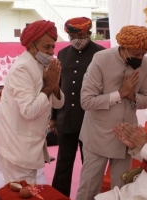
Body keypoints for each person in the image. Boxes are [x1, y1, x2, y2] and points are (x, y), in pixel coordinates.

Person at [75, 25, 147, 200]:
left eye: (144, 54)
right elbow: (86, 101)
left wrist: (132, 96)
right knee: (89, 189)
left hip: (126, 137)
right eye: (136, 54)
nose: (140, 58)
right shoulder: (101, 59)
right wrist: (120, 94)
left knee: (122, 190)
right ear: (124, 48)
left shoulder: (145, 63)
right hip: (98, 135)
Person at [0, 20, 64, 184]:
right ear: (32, 46)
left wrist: (53, 85)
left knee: (25, 191)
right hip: (16, 148)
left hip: (28, 147)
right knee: (21, 192)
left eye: (53, 47)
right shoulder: (23, 68)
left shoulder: (41, 64)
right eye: (47, 47)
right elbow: (29, 111)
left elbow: (58, 104)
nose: (51, 52)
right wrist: (48, 86)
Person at [50, 17, 105, 197]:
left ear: (88, 33)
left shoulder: (101, 54)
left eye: (78, 34)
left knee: (89, 164)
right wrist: (53, 116)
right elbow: (56, 86)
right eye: (71, 35)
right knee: (63, 164)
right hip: (65, 118)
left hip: (90, 120)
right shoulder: (62, 54)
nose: (75, 39)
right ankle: (58, 196)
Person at [0, 85, 47, 191]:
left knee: (39, 188)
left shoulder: (25, 113)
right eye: (1, 95)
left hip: (27, 165)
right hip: (0, 169)